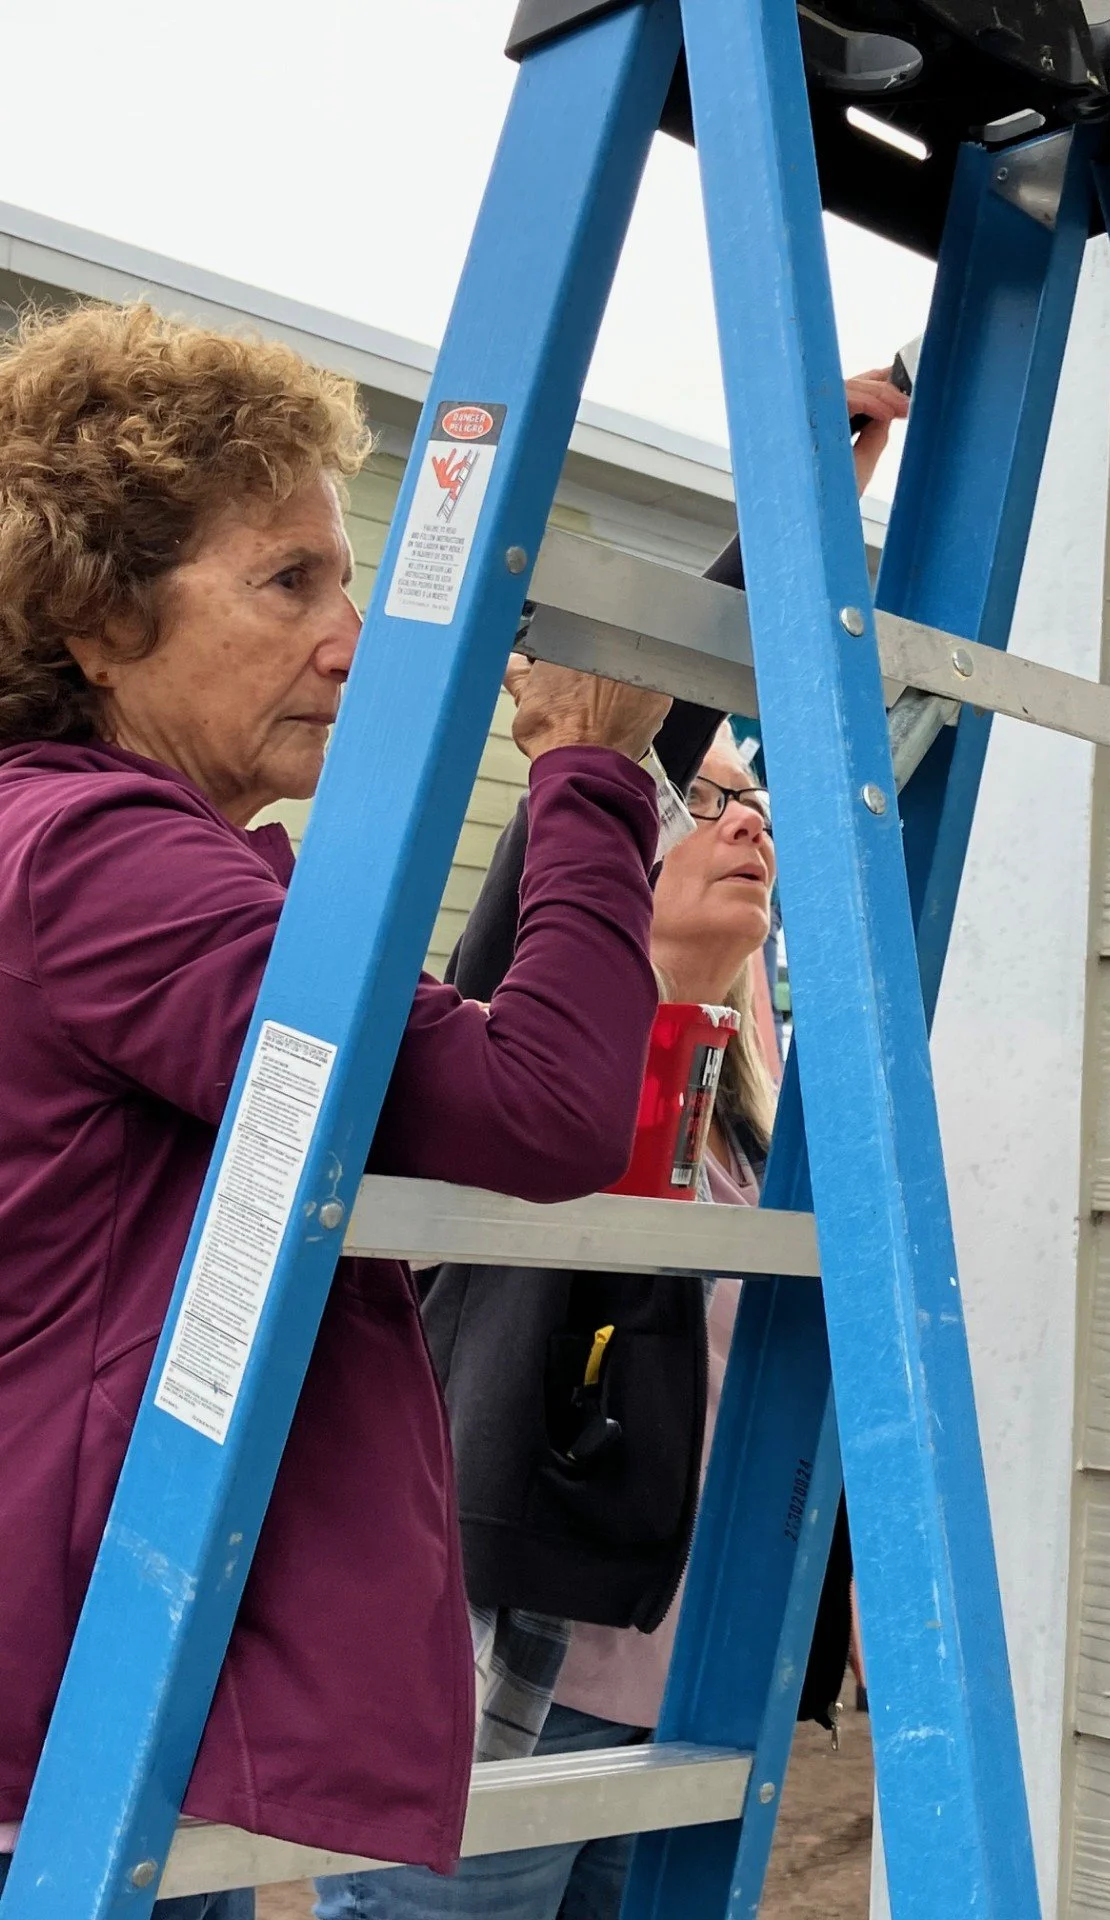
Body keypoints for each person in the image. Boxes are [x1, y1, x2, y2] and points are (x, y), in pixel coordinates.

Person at [0, 302, 674, 1915]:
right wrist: (587, 770)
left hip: (96, 1667)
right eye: (287, 581)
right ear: (94, 616)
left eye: (348, 580)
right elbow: (539, 1108)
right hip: (67, 1714)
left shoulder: (101, 852)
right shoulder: (104, 867)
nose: (354, 639)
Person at [312, 368, 909, 1920]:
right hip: (524, 1644)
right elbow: (642, 719)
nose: (744, 822)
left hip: (692, 1656)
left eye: (754, 803)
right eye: (701, 800)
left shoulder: (761, 1067)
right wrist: (793, 484)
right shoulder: (539, 1002)